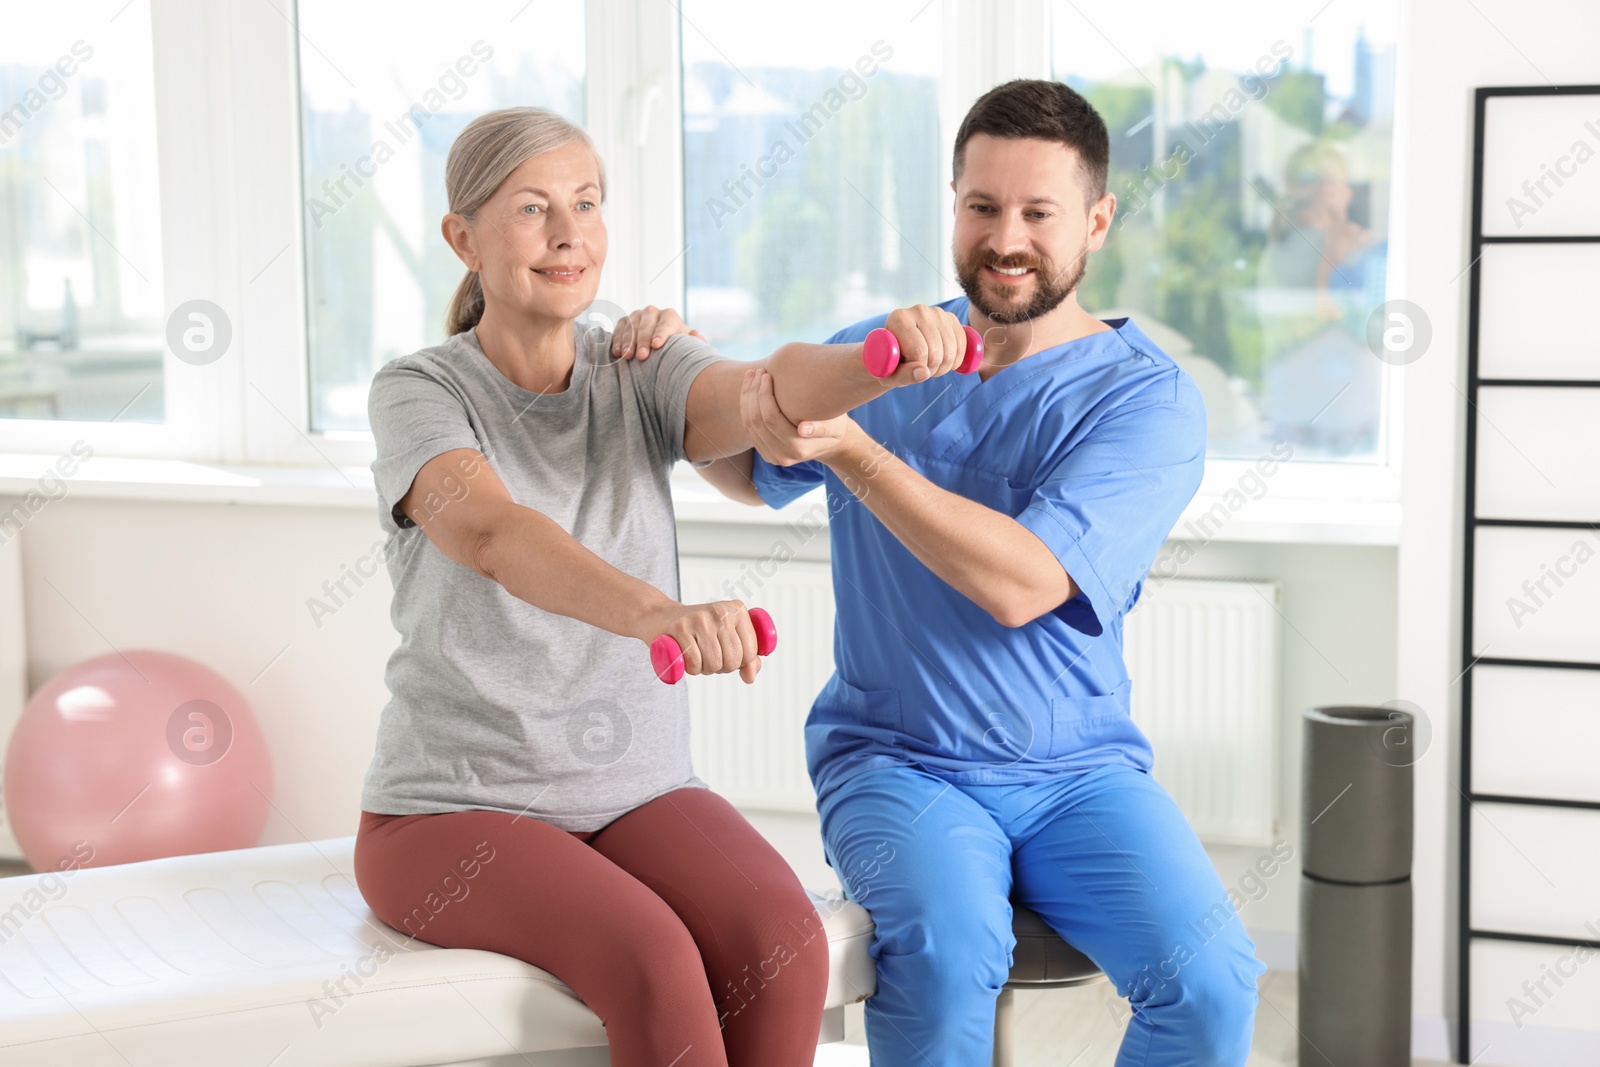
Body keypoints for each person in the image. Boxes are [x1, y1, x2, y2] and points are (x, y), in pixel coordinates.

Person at [350, 106, 975, 1067]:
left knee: (783, 941)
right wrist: (662, 614)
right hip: (451, 808)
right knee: (652, 959)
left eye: (587, 204)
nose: (569, 233)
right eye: (531, 208)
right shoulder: (420, 390)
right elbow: (490, 531)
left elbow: (764, 392)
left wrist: (876, 359)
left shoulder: (636, 360)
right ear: (462, 239)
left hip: (634, 789)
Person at [690, 79, 1268, 1065]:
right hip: (897, 759)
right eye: (982, 206)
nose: (1007, 238)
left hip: (1079, 775)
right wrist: (683, 375)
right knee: (952, 953)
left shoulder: (1146, 404)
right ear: (952, 202)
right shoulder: (879, 356)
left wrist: (855, 453)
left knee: (1212, 983)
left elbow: (1021, 583)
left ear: (1096, 221)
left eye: (1039, 213)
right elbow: (742, 467)